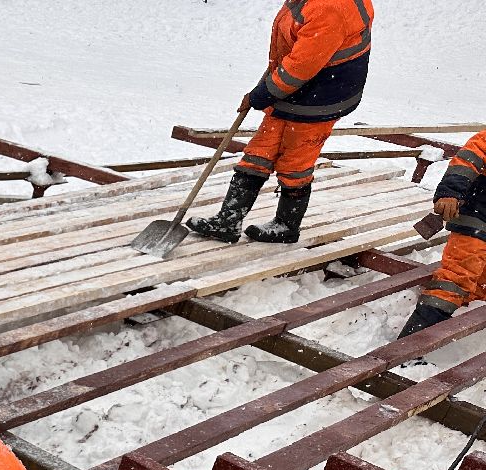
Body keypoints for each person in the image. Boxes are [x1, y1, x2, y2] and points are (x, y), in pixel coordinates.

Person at [189, 0, 374, 246]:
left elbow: (301, 65)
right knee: (259, 152)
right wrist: (270, 82)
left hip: (320, 97)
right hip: (298, 90)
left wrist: (261, 95)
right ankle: (228, 220)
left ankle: (287, 225)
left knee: (295, 164)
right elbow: (294, 48)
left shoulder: (328, 8)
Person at [397, 130, 486, 342]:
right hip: (478, 215)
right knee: (455, 279)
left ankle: (465, 309)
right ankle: (408, 346)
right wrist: (451, 192)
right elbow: (467, 160)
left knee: (477, 282)